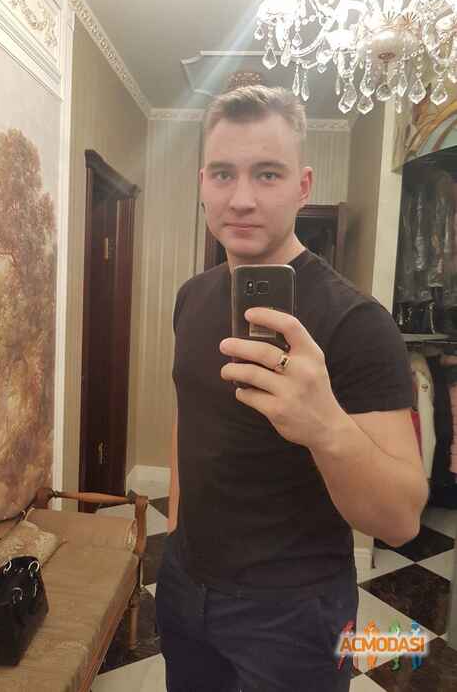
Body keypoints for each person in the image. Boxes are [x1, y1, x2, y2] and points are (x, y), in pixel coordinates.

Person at [154, 85, 429, 692]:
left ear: (303, 186)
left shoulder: (358, 323)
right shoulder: (192, 297)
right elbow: (189, 416)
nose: (242, 198)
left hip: (295, 613)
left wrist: (322, 424)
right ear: (202, 184)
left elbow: (401, 519)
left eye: (268, 174)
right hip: (185, 586)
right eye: (223, 174)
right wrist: (176, 533)